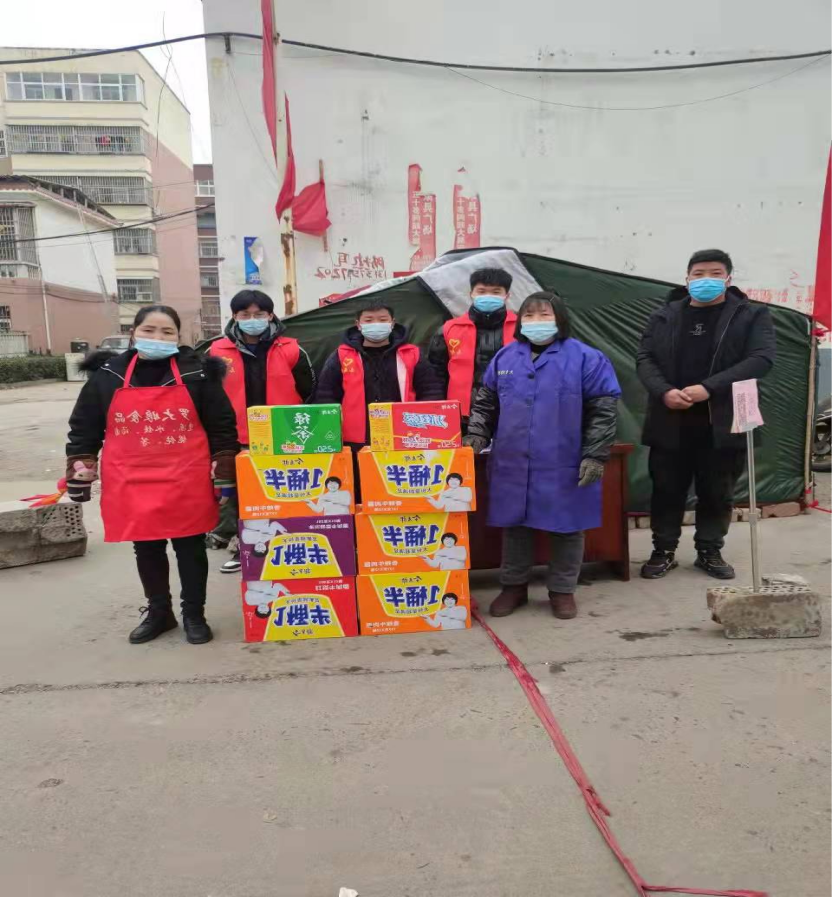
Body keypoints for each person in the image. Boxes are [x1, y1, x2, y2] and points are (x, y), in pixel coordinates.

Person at [66, 305, 239, 645]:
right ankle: (160, 613)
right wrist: (80, 466)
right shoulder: (109, 374)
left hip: (186, 475)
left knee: (190, 546)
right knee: (146, 546)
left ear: (178, 336)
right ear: (133, 333)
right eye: (149, 330)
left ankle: (194, 614)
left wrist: (224, 469)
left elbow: (221, 425)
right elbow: (85, 425)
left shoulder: (198, 372)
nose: (157, 337)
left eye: (167, 332)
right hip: (131, 476)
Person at [465, 291, 620, 620]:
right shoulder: (505, 358)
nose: (536, 322)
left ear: (560, 319)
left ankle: (562, 590)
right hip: (512, 459)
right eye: (529, 315)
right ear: (520, 321)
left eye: (544, 315)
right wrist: (477, 434)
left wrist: (595, 454)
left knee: (567, 526)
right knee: (514, 525)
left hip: (563, 459)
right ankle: (513, 587)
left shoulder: (586, 358)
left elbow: (603, 410)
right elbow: (485, 402)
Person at [637, 249, 776, 580]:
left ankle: (709, 550)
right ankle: (663, 550)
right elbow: (645, 358)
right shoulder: (664, 315)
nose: (706, 280)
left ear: (728, 279)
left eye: (715, 273)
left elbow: (761, 359)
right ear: (687, 279)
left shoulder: (751, 314)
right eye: (698, 274)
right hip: (671, 418)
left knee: (717, 492)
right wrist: (664, 391)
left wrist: (709, 387)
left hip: (724, 420)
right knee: (666, 489)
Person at [207, 289, 315, 573]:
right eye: (245, 314)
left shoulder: (292, 349)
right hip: (237, 436)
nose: (252, 319)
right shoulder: (216, 352)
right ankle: (242, 548)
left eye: (259, 314)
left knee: (282, 492)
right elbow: (207, 395)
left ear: (270, 316)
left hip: (284, 437)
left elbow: (309, 390)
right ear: (235, 316)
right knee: (242, 495)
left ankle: (288, 546)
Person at [315, 300, 445, 451]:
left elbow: (431, 392)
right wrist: (331, 434)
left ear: (392, 323)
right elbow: (326, 396)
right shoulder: (341, 356)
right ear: (358, 324)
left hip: (406, 438)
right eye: (369, 320)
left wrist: (424, 428)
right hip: (355, 441)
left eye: (383, 320)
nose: (376, 324)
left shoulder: (411, 354)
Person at [428, 268, 516, 428]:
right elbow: (435, 374)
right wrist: (438, 410)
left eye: (496, 292)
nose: (488, 296)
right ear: (471, 294)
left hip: (511, 412)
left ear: (507, 295)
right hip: (461, 415)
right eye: (481, 291)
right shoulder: (449, 329)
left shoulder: (521, 327)